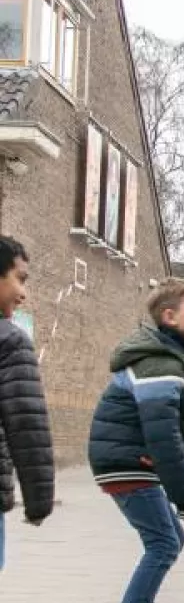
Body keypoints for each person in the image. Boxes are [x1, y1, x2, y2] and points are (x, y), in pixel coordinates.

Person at [89, 277, 184, 603]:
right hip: (128, 461)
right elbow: (163, 436)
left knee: (170, 536)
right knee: (164, 543)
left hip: (129, 459)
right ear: (170, 316)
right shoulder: (160, 362)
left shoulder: (172, 355)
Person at [0, 235, 54, 572]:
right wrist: (38, 502)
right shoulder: (11, 341)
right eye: (19, 278)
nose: (24, 293)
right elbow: (27, 425)